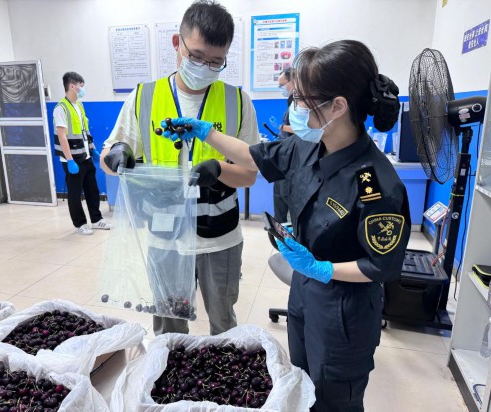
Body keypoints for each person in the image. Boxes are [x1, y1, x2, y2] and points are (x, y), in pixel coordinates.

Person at [161, 40, 411, 411]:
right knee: (303, 384)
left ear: (338, 106)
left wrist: (322, 268)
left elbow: (382, 266)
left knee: (334, 399)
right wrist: (204, 132)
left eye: (301, 100)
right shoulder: (308, 146)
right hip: (304, 294)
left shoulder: (377, 186)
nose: (294, 107)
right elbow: (253, 156)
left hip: (344, 312)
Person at [100, 0, 260, 336]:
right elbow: (109, 157)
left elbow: (249, 173)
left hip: (220, 238)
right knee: (169, 327)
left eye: (216, 61)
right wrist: (117, 155)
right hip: (165, 237)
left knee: (223, 324)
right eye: (197, 56)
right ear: (177, 43)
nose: (205, 67)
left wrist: (219, 169)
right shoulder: (144, 97)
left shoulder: (237, 101)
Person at [53, 71, 112, 235]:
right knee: (75, 193)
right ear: (72, 86)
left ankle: (96, 219)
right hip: (72, 160)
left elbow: (85, 131)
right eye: (81, 86)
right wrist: (70, 160)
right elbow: (62, 137)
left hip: (85, 156)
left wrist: (92, 149)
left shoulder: (79, 106)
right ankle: (80, 224)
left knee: (92, 190)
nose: (82, 89)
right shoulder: (61, 109)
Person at [274, 67, 295, 222]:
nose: (281, 88)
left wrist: (281, 127)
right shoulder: (291, 102)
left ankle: (283, 227)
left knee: (284, 196)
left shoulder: (300, 104)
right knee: (279, 195)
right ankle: (279, 227)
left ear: (293, 81)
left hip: (291, 159)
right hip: (284, 155)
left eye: (282, 85)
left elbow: (303, 129)